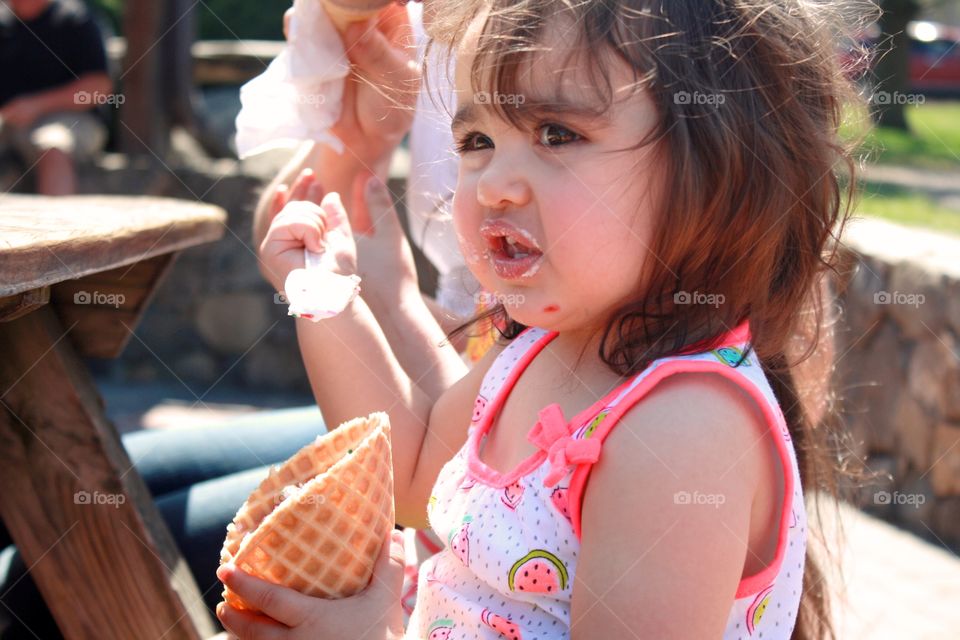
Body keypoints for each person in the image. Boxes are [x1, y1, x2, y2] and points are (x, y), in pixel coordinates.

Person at [220, 0, 864, 638]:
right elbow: (412, 476)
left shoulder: (683, 430)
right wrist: (329, 299)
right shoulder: (543, 348)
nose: (494, 183)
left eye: (557, 134)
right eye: (476, 142)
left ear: (720, 167)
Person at [0, 0, 112, 195]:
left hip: (72, 120)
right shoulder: (4, 22)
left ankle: (57, 223)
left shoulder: (75, 19)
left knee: (52, 144)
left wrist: (36, 106)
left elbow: (98, 89)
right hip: (9, 123)